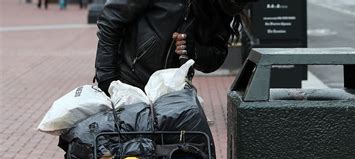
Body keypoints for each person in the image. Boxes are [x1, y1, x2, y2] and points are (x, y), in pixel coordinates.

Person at [93, 0, 248, 94]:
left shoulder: (221, 7)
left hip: (174, 91)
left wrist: (194, 51)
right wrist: (107, 79)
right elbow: (110, 20)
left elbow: (216, 56)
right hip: (129, 83)